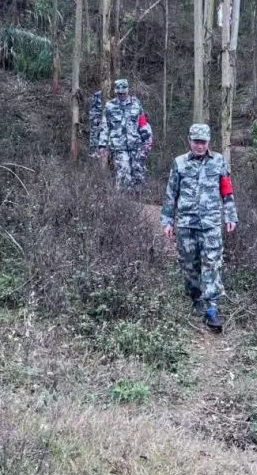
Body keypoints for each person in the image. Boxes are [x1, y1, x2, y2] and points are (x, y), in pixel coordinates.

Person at [160, 123, 238, 332]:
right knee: (189, 265)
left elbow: (226, 190)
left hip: (211, 223)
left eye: (203, 142)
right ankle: (196, 298)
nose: (200, 146)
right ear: (189, 141)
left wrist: (230, 215)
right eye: (196, 142)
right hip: (186, 223)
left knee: (212, 263)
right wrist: (167, 220)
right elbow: (171, 193)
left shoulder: (219, 161)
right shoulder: (179, 163)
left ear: (209, 142)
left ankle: (212, 309)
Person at [97, 78, 153, 190]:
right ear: (116, 92)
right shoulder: (109, 106)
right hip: (119, 147)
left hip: (136, 145)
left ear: (127, 91)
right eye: (119, 93)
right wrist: (102, 145)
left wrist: (148, 141)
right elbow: (104, 126)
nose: (121, 95)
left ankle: (138, 199)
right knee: (123, 174)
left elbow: (143, 123)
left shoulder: (136, 104)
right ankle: (123, 199)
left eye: (124, 92)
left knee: (138, 174)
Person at [87, 90, 104, 157]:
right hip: (95, 120)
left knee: (97, 136)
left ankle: (96, 152)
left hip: (98, 120)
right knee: (94, 136)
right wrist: (95, 119)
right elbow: (93, 111)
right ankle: (93, 151)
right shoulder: (95, 99)